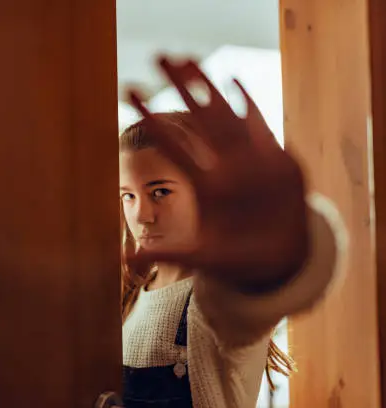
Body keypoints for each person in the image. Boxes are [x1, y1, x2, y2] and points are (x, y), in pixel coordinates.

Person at [118, 57, 347, 408]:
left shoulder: (215, 299)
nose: (142, 214)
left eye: (160, 191)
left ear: (207, 194)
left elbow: (256, 298)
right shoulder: (129, 298)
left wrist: (276, 237)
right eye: (128, 196)